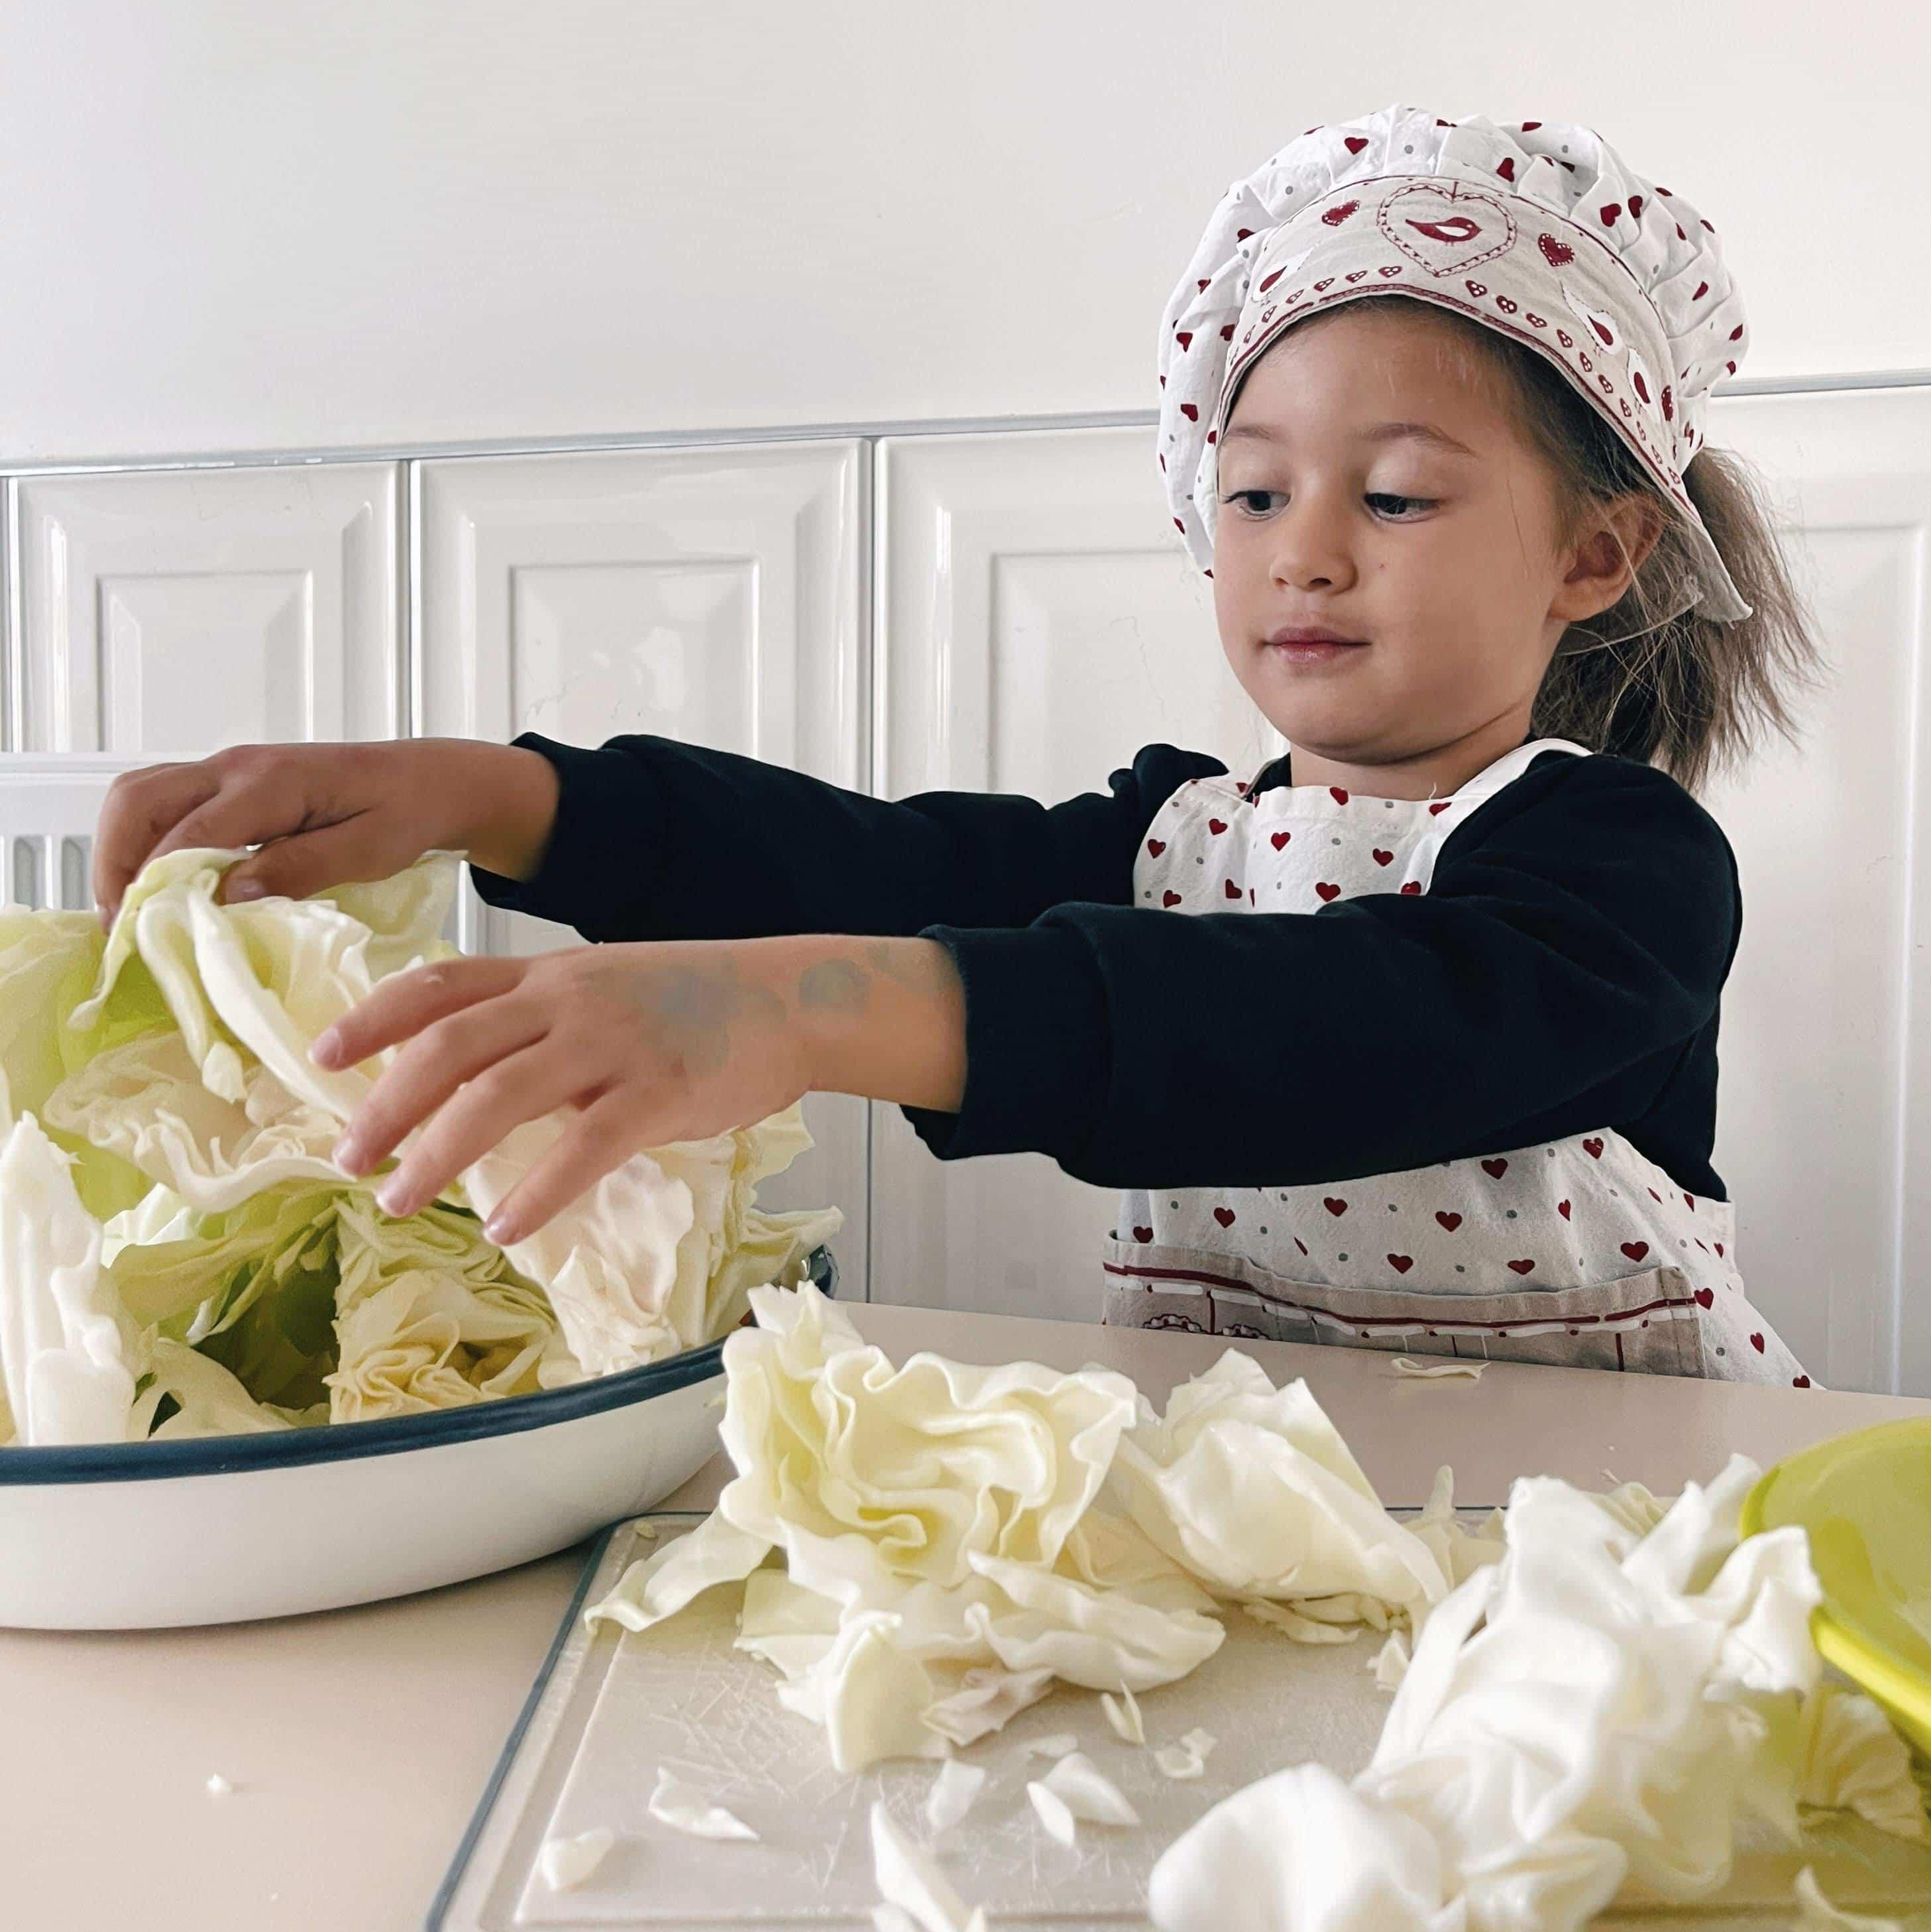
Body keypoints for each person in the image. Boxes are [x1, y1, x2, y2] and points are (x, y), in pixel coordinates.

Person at [91, 103, 1822, 1381]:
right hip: (1280, 1495)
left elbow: (1334, 1029)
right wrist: (484, 796)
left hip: (1612, 1534)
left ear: (1595, 556)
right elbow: (868, 863)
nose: (1302, 549)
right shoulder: (1169, 848)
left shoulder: (1621, 872)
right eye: (1253, 493)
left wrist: (800, 1010)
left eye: (1394, 496)